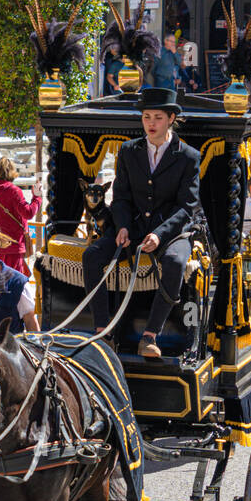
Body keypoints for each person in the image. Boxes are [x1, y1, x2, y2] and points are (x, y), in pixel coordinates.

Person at [80, 87, 200, 358]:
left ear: (171, 118)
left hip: (170, 232)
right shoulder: (128, 150)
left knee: (175, 262)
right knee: (92, 256)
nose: (151, 124)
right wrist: (121, 225)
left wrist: (159, 235)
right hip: (131, 227)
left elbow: (187, 207)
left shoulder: (188, 157)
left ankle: (150, 335)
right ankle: (103, 332)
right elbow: (120, 196)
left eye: (157, 117)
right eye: (147, 117)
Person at [0, 156, 40, 275]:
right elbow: (28, 213)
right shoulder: (13, 191)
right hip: (13, 246)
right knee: (13, 283)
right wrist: (37, 197)